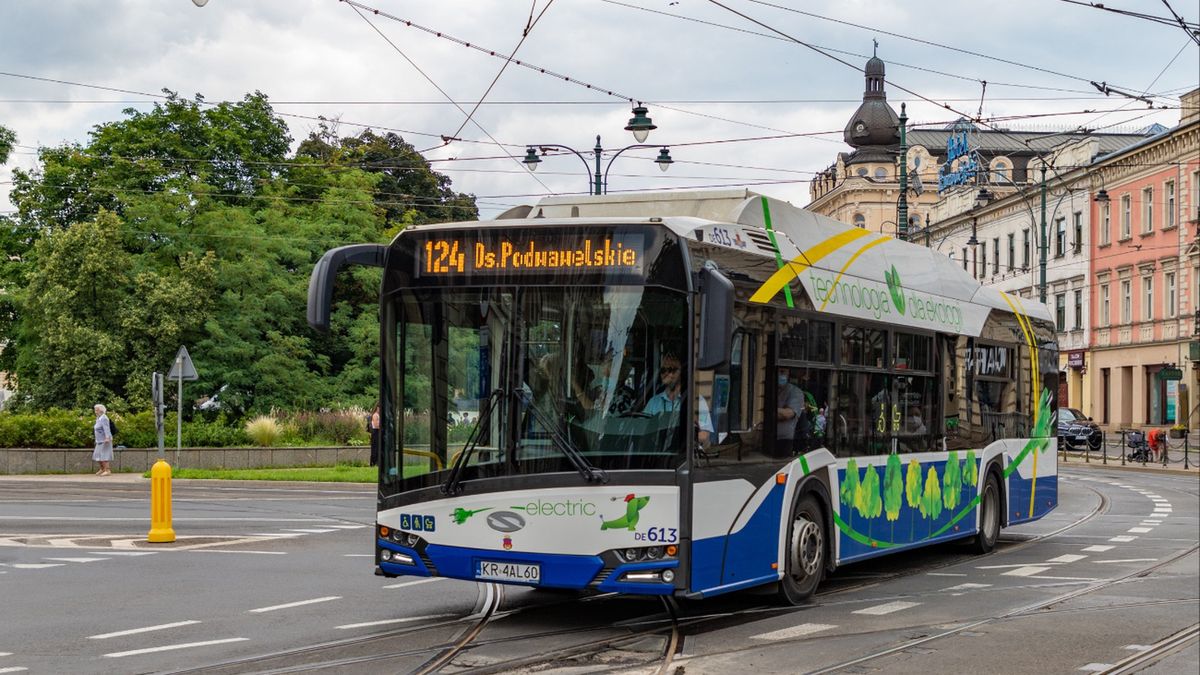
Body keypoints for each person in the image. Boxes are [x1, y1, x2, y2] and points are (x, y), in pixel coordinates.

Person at [643, 352, 713, 445]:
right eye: (663, 370)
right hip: (657, 455)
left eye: (671, 369)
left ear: (682, 372)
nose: (667, 374)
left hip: (682, 456)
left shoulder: (697, 401)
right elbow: (642, 430)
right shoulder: (653, 402)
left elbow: (704, 435)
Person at [776, 369, 805, 454]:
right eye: (778, 371)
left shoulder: (795, 392)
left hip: (784, 440)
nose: (779, 375)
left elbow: (787, 414)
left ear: (788, 373)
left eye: (782, 372)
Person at [92, 404, 113, 476]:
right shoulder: (98, 418)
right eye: (95, 410)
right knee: (97, 455)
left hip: (105, 440)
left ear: (101, 410)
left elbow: (106, 428)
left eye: (97, 410)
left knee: (104, 455)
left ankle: (107, 470)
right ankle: (102, 469)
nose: (95, 411)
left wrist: (107, 437)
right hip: (99, 440)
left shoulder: (104, 418)